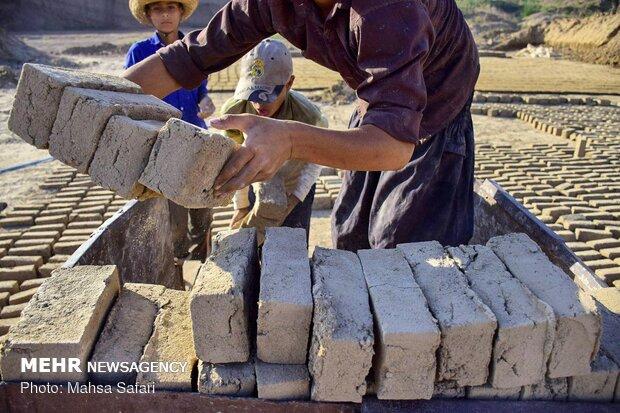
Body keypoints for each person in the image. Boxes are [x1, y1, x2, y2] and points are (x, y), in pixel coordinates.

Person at [124, 0, 479, 251]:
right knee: (350, 236)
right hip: (379, 101)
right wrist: (100, 97)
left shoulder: (390, 8)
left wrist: (291, 139)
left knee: (402, 248)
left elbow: (392, 146)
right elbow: (188, 57)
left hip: (436, 110)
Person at [126, 0, 216, 258]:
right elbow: (131, 96)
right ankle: (177, 265)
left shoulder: (194, 48)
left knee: (202, 209)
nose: (165, 14)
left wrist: (205, 100)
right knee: (174, 217)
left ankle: (204, 266)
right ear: (148, 14)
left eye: (171, 8)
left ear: (180, 12)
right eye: (157, 9)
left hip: (197, 140)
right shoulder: (139, 52)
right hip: (161, 146)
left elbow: (201, 90)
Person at [221, 39, 327, 241]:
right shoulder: (236, 113)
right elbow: (235, 160)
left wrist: (294, 199)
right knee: (255, 244)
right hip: (257, 182)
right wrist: (242, 206)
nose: (259, 103)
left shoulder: (308, 116)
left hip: (295, 185)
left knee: (291, 246)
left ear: (289, 83)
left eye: (267, 94)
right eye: (253, 93)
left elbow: (315, 163)